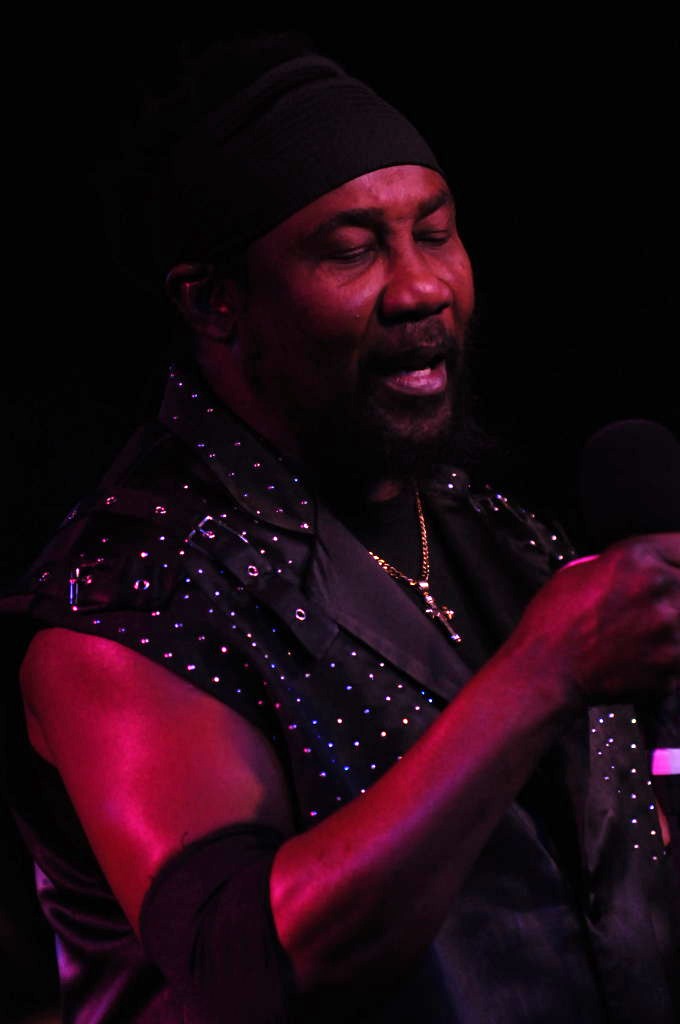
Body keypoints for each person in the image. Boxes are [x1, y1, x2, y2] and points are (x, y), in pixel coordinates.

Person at [2, 35, 679, 1024]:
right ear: (216, 302)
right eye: (351, 250)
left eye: (434, 233)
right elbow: (243, 966)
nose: (420, 287)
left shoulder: (492, 531)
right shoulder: (124, 599)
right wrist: (541, 672)